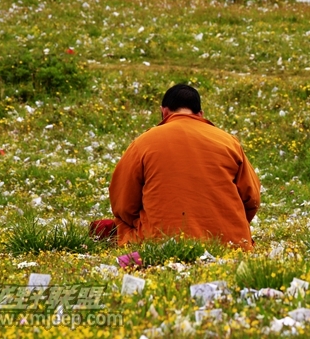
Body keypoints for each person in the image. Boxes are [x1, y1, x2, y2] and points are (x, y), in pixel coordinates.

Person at [100, 84, 261, 250]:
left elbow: (123, 205)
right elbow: (252, 198)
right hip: (230, 241)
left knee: (111, 227)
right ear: (200, 114)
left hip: (160, 240)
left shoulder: (143, 142)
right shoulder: (228, 142)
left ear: (164, 112)